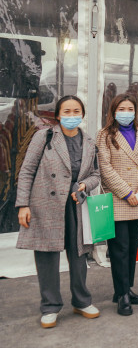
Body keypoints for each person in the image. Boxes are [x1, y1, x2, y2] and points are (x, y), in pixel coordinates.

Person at [16, 95, 101, 328]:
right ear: (57, 115)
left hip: (76, 203)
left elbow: (96, 175)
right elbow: (27, 171)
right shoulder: (44, 137)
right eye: (67, 112)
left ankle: (82, 301)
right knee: (47, 255)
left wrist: (84, 185)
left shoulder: (89, 141)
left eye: (76, 112)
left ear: (82, 114)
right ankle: (50, 306)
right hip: (46, 203)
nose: (72, 116)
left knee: (79, 253)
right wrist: (23, 204)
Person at [96, 94, 138, 316]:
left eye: (130, 109)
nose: (126, 113)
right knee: (119, 249)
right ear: (113, 111)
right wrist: (127, 192)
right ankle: (121, 295)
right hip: (118, 199)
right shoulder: (104, 135)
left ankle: (126, 288)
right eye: (121, 109)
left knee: (132, 247)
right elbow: (105, 168)